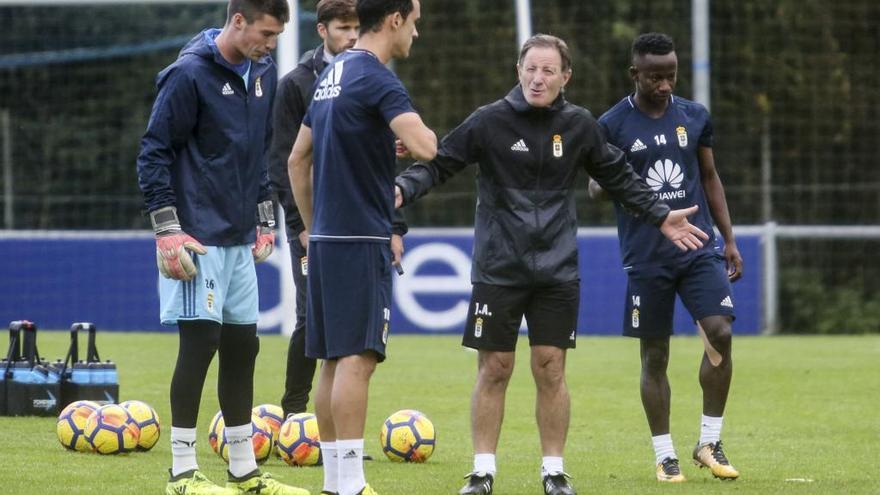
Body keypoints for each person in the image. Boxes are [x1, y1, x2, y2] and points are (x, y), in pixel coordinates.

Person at [394, 34, 709, 495]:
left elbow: (619, 176)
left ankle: (554, 472)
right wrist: (403, 189)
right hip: (498, 268)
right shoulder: (489, 121)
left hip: (557, 270)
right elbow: (439, 163)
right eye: (530, 68)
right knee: (495, 367)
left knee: (551, 368)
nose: (537, 78)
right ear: (518, 70)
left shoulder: (580, 125)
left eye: (548, 71)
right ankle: (482, 472)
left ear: (565, 77)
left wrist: (661, 216)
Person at [136, 1, 308, 494]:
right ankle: (182, 473)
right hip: (197, 237)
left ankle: (243, 472)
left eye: (277, 36)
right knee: (200, 346)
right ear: (238, 21)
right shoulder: (188, 74)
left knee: (243, 348)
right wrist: (167, 228)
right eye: (266, 33)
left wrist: (262, 215)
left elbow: (257, 151)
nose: (271, 44)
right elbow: (154, 151)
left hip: (238, 236)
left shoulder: (262, 71)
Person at [288, 1, 436, 494]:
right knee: (358, 359)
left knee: (333, 360)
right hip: (361, 237)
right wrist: (412, 132)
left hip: (327, 238)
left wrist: (313, 227)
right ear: (394, 19)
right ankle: (351, 485)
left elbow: (297, 160)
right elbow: (427, 148)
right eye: (414, 22)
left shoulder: (333, 72)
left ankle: (336, 482)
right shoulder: (377, 77)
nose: (417, 32)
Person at [589, 32, 743, 483]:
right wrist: (611, 177)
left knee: (720, 333)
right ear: (635, 73)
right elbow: (595, 188)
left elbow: (710, 177)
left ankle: (709, 442)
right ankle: (665, 453)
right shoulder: (612, 124)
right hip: (647, 254)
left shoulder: (694, 116)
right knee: (655, 356)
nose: (664, 85)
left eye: (671, 75)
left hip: (698, 248)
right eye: (655, 76)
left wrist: (729, 239)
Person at [268, 0, 407, 421]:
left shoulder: (371, 75)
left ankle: (336, 444)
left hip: (358, 225)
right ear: (322, 31)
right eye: (342, 27)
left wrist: (395, 226)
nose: (350, 35)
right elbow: (285, 160)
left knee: (344, 342)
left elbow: (381, 162)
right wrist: (301, 225)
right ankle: (295, 415)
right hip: (318, 227)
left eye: (355, 27)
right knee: (316, 323)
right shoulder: (298, 83)